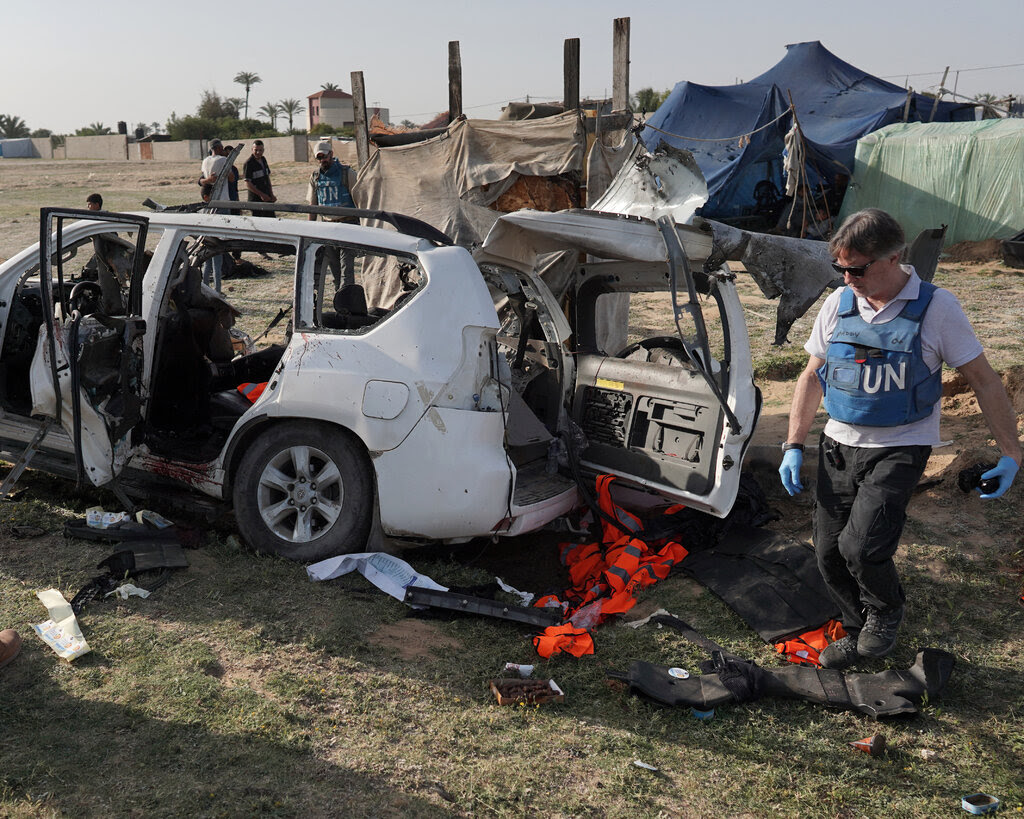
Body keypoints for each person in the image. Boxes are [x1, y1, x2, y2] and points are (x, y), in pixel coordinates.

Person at [779, 208, 1021, 670]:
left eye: (858, 268)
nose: (848, 278)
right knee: (829, 553)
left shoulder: (937, 308)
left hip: (900, 446)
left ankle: (886, 612)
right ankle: (857, 626)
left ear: (895, 256)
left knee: (862, 548)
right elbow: (812, 375)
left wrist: (1012, 453)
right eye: (841, 268)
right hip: (838, 446)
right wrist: (794, 444)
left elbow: (985, 381)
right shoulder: (839, 304)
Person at [306, 140, 358, 289]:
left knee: (346, 270)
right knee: (334, 269)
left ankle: (348, 299)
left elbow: (361, 200)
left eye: (324, 156)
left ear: (331, 154)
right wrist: (311, 229)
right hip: (328, 227)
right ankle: (340, 301)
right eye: (319, 158)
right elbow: (313, 205)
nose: (322, 160)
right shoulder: (315, 177)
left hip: (348, 225)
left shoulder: (347, 173)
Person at [243, 140, 277, 217]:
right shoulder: (248, 163)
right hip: (256, 200)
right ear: (252, 150)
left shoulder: (263, 160)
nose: (258, 152)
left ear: (263, 150)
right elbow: (248, 183)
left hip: (267, 198)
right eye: (256, 150)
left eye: (260, 150)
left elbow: (267, 178)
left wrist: (271, 194)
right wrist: (261, 195)